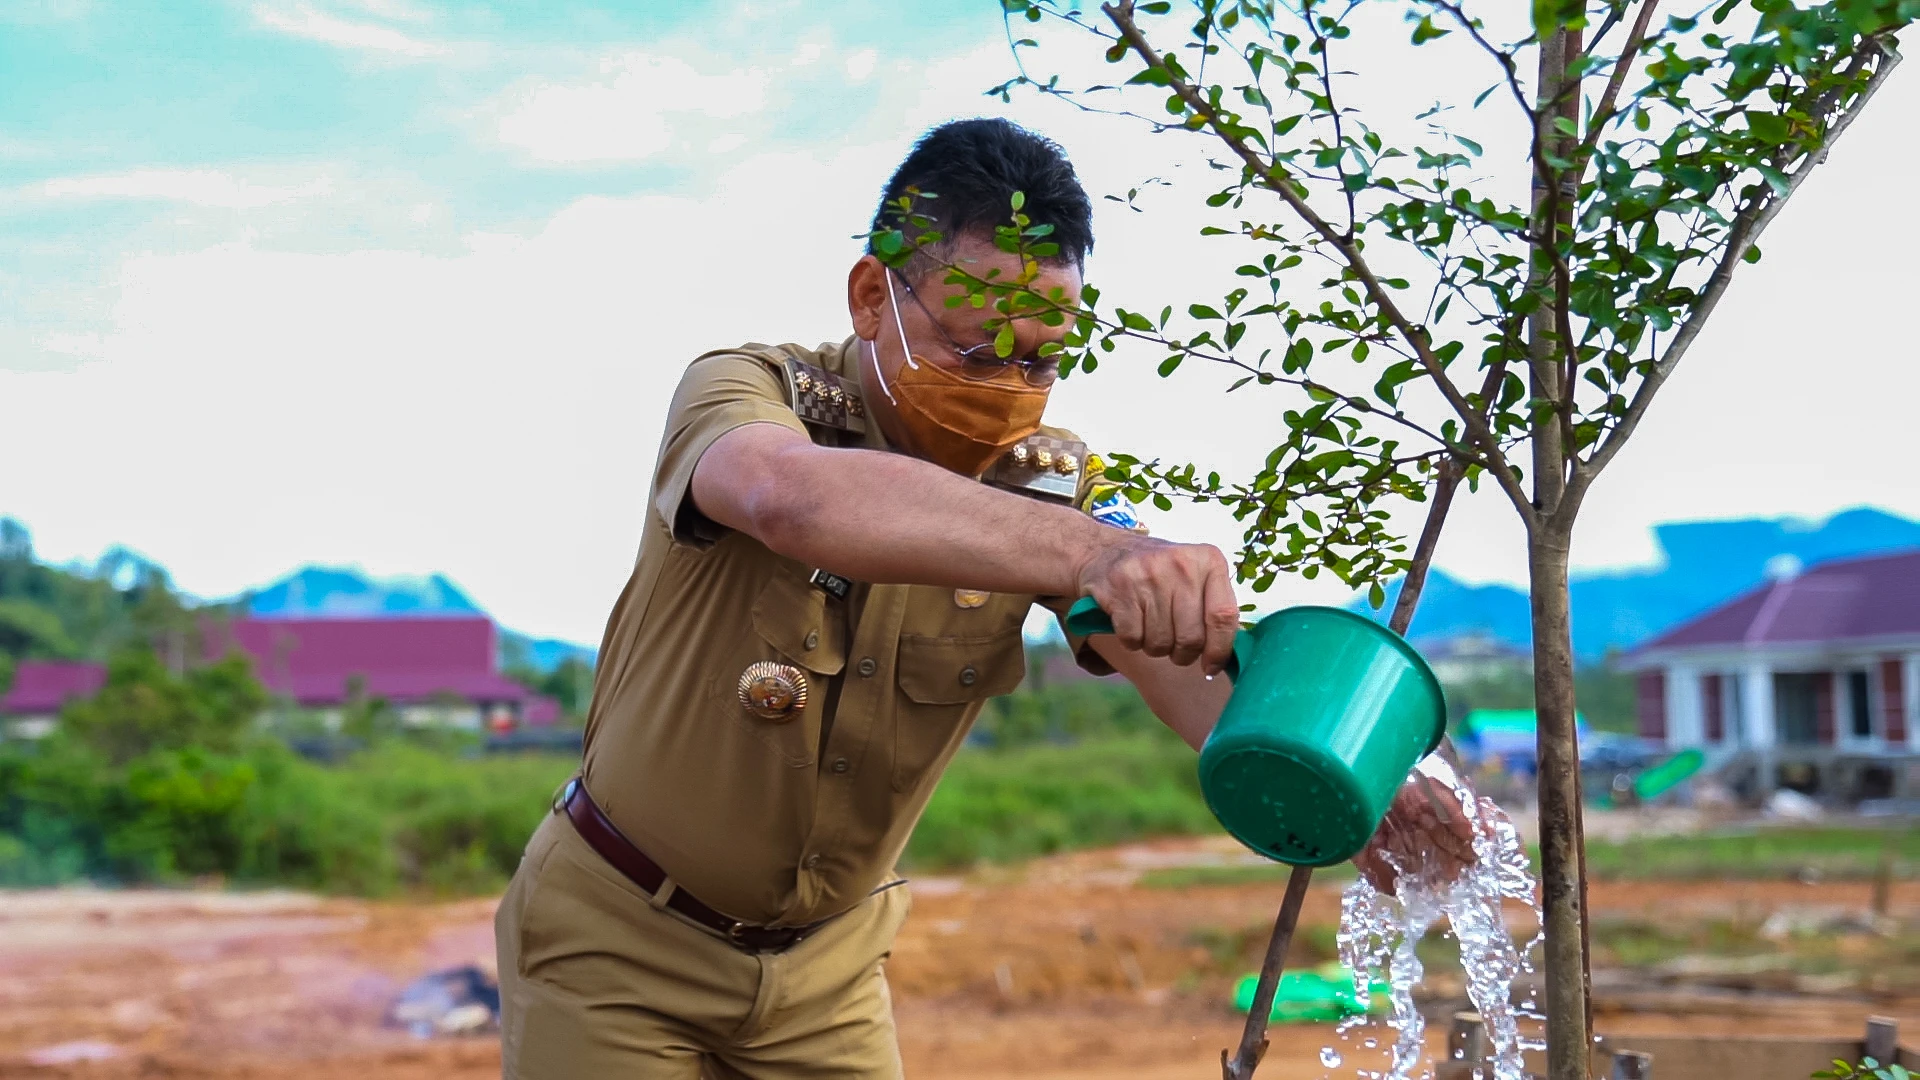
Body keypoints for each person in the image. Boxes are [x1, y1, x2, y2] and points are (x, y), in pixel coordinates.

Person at [494, 117, 1484, 1079]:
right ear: (874, 298)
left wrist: (1356, 784)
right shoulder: (752, 393)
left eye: (1042, 361)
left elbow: (1174, 666)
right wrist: (1086, 553)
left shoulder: (1050, 491)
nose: (1011, 388)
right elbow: (788, 500)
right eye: (976, 352)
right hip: (621, 940)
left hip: (825, 975)